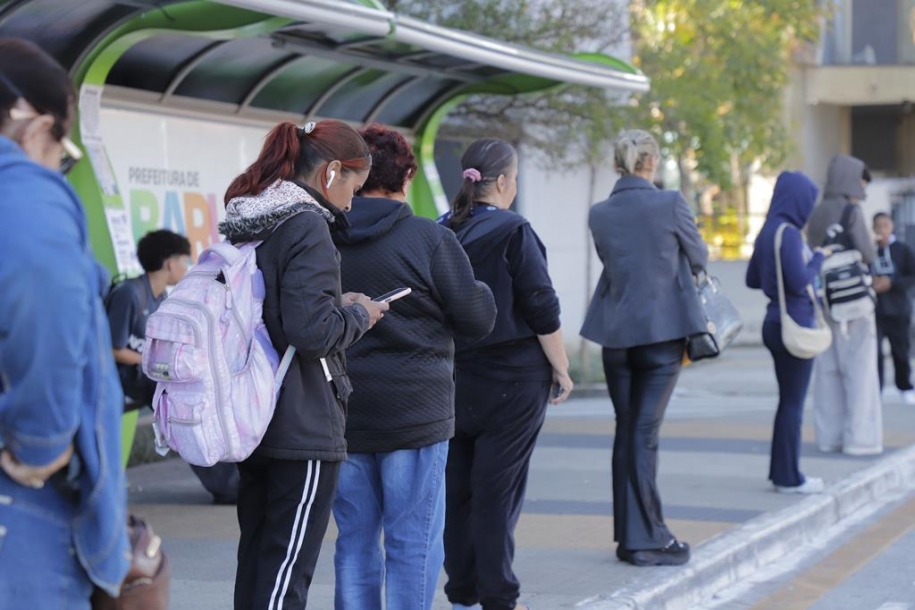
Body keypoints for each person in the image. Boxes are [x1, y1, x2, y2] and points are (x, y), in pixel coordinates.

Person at [220, 119, 388, 610]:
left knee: (258, 559)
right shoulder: (308, 225)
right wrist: (360, 314)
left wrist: (336, 303)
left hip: (255, 414)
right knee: (287, 569)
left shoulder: (253, 219)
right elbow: (312, 333)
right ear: (331, 172)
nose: (351, 203)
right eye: (353, 187)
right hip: (303, 420)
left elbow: (277, 309)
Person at [331, 124, 496, 610]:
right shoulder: (428, 238)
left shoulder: (322, 237)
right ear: (406, 177)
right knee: (412, 543)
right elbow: (477, 319)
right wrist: (481, 290)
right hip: (415, 416)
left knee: (354, 541)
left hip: (342, 414)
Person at [0, 38, 129, 607]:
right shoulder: (23, 188)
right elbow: (41, 289)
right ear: (35, 124)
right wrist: (41, 442)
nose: (58, 165)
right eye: (63, 149)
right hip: (22, 506)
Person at [439, 138, 573, 610]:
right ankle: (499, 596)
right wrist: (561, 367)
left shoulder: (441, 229)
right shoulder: (515, 231)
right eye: (514, 178)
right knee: (498, 492)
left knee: (457, 491)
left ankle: (462, 593)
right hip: (514, 382)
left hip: (454, 377)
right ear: (501, 182)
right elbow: (541, 306)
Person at [580, 129, 708, 567]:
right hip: (661, 334)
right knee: (644, 435)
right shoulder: (670, 203)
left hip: (615, 338)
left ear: (619, 163)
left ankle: (628, 538)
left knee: (627, 430)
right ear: (650, 162)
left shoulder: (599, 213)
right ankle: (650, 539)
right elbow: (699, 258)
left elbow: (615, 262)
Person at [746, 172, 831, 494]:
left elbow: (752, 279)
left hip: (773, 322)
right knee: (793, 404)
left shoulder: (767, 231)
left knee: (787, 403)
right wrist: (818, 258)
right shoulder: (791, 234)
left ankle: (781, 473)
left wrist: (775, 279)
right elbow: (799, 282)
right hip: (794, 324)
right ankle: (789, 478)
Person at [806, 155, 883, 456]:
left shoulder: (816, 212)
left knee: (828, 370)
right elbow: (866, 253)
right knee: (861, 369)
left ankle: (830, 438)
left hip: (827, 299)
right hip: (855, 302)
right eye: (862, 179)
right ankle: (860, 439)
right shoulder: (852, 211)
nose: (863, 185)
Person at [106, 229, 190, 407]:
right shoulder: (130, 293)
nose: (186, 268)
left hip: (140, 376)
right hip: (116, 380)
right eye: (184, 261)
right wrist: (150, 363)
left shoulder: (162, 297)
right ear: (170, 264)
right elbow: (112, 349)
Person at [872, 212, 915, 404]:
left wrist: (892, 283)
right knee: (875, 353)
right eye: (878, 225)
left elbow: (912, 276)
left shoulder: (903, 250)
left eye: (885, 225)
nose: (882, 229)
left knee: (901, 351)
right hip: (875, 311)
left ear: (892, 226)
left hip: (899, 310)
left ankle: (905, 386)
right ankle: (876, 389)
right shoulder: (869, 250)